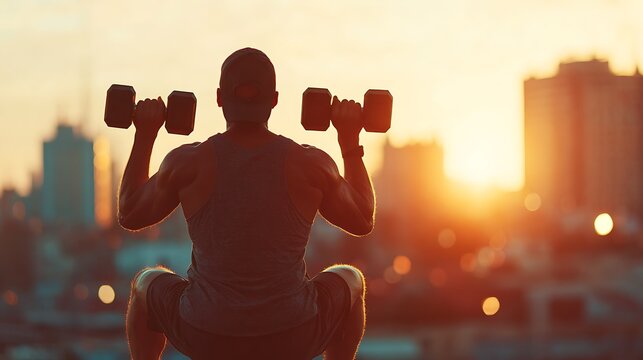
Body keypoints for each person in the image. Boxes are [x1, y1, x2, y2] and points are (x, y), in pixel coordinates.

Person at [119, 47, 375, 360]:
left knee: (145, 283)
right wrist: (350, 142)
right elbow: (362, 219)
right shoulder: (311, 164)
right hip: (293, 333)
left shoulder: (188, 163)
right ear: (275, 100)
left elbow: (130, 213)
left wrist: (145, 134)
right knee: (352, 278)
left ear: (219, 98)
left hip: (204, 332)